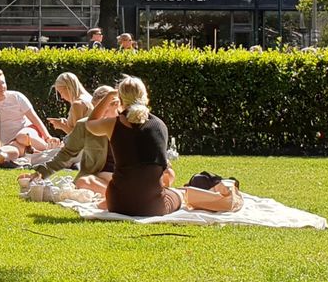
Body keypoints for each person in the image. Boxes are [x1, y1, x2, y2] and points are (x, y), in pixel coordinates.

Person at [102, 76, 241, 217]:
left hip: (117, 203)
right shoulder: (158, 126)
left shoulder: (113, 124)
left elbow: (89, 123)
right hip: (151, 206)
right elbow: (165, 173)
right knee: (181, 194)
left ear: (120, 98)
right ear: (144, 96)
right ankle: (221, 197)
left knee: (170, 190)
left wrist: (108, 96)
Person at [26, 83, 119, 183]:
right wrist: (41, 173)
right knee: (83, 182)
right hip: (96, 177)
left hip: (122, 176)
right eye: (95, 110)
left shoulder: (127, 124)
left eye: (103, 110)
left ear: (116, 105)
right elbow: (66, 154)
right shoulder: (85, 125)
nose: (99, 115)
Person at [0, 68, 55, 151]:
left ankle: (50, 148)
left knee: (22, 137)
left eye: (3, 83)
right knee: (13, 150)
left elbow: (34, 118)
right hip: (10, 141)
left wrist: (47, 137)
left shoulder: (16, 97)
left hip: (27, 131)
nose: (2, 86)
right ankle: (33, 151)